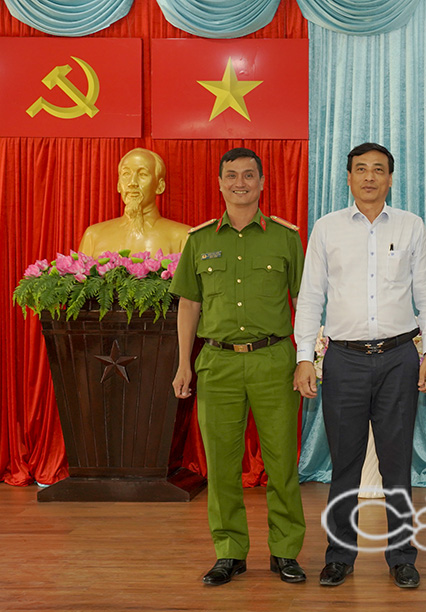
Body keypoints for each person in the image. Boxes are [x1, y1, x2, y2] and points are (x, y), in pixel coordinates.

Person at [292, 142, 426, 589]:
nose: (370, 177)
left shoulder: (411, 226)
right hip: (343, 360)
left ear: (391, 178)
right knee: (345, 466)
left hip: (399, 358)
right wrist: (304, 358)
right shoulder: (327, 228)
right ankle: (340, 555)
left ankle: (402, 556)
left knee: (397, 464)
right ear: (349, 177)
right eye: (361, 169)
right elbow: (310, 297)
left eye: (379, 169)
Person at [170, 147, 306, 586]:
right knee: (222, 464)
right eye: (232, 175)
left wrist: (307, 359)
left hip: (274, 361)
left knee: (281, 463)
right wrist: (183, 364)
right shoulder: (200, 240)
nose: (240, 183)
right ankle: (229, 551)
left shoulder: (285, 237)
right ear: (220, 183)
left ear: (263, 183)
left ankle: (285, 551)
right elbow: (189, 305)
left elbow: (305, 301)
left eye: (249, 175)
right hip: (218, 364)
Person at [79, 147, 189, 256]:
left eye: (142, 175)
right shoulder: (93, 236)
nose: (132, 182)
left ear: (160, 186)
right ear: (118, 185)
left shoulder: (182, 237)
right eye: (126, 174)